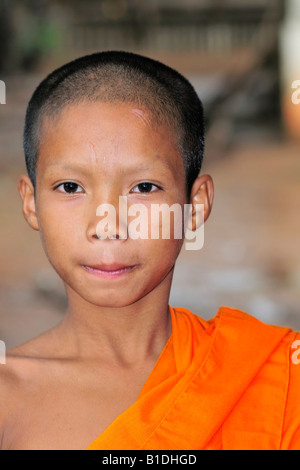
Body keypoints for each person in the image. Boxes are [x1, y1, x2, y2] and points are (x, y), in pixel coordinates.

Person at [0, 51, 299, 450]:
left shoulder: (277, 377)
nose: (107, 225)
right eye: (70, 187)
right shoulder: (8, 398)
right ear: (31, 202)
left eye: (143, 187)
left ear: (195, 206)